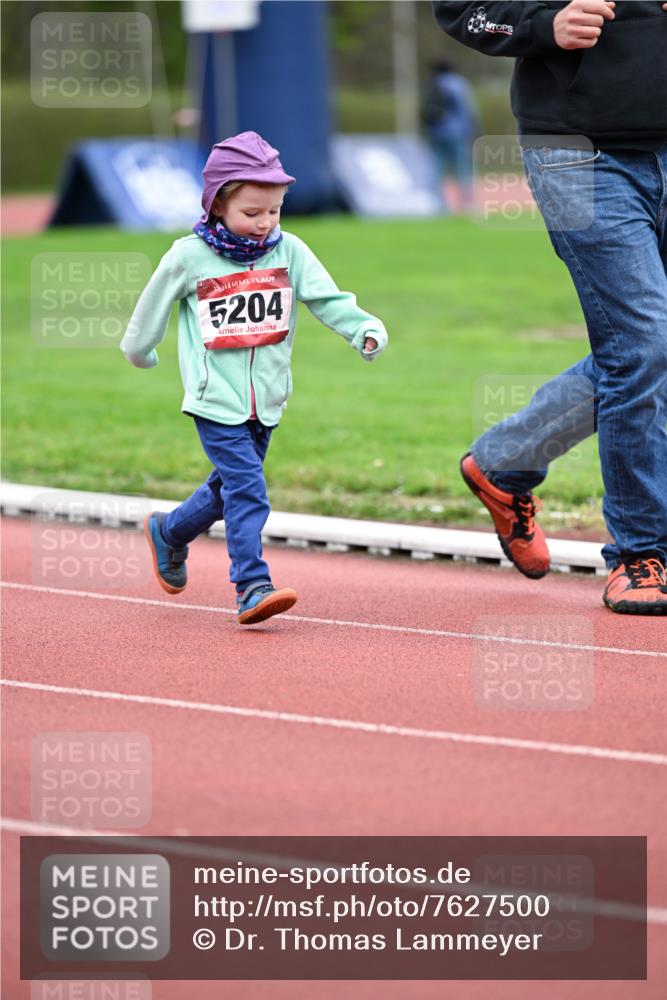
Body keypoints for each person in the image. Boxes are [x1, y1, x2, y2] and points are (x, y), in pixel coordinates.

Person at [433, 0, 667, 614]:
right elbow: (464, 9)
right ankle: (642, 553)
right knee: (644, 346)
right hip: (580, 151)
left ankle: (503, 464)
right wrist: (544, 26)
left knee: (642, 352)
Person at [120, 131, 388, 624]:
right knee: (247, 490)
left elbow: (329, 300)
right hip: (214, 402)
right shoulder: (188, 257)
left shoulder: (290, 252)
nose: (265, 224)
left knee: (226, 490)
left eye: (275, 211)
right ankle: (250, 584)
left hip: (267, 400)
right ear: (217, 204)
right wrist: (140, 353)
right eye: (252, 213)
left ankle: (169, 532)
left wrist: (364, 329)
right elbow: (149, 312)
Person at [422, 59, 481, 212]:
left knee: (437, 167)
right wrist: (475, 130)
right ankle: (467, 204)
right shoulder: (458, 83)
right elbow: (468, 109)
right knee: (462, 168)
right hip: (457, 132)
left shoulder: (433, 83)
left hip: (436, 131)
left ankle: (437, 203)